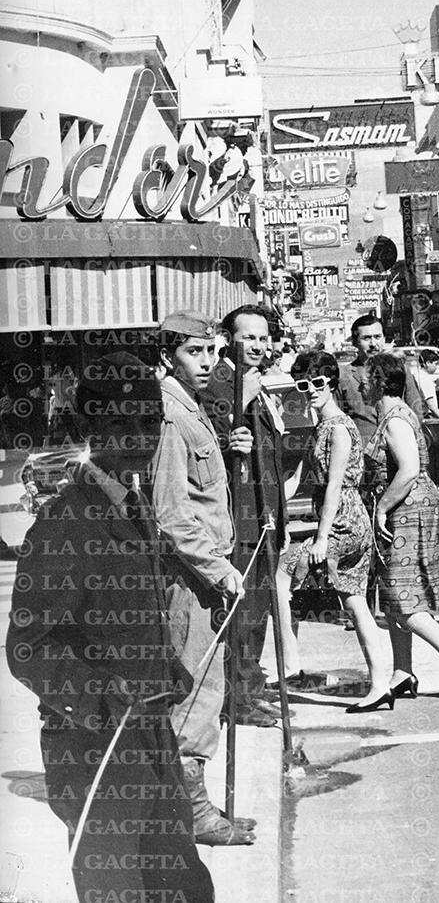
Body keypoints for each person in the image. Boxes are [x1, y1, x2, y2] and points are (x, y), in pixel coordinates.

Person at [7, 352, 216, 903]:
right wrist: (101, 694)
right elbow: (27, 648)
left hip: (150, 736)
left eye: (150, 421)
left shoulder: (134, 505)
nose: (139, 438)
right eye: (121, 423)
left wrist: (168, 669)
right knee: (115, 889)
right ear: (87, 427)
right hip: (92, 747)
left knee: (182, 884)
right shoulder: (64, 525)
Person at [150, 313, 255, 846]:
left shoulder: (191, 407)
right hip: (193, 577)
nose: (209, 361)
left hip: (206, 573)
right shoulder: (172, 415)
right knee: (195, 693)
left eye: (212, 350)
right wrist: (218, 569)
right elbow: (171, 513)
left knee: (207, 688)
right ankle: (193, 814)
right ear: (168, 357)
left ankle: (195, 804)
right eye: (195, 352)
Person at [277, 352, 385, 711]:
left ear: (332, 384)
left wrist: (321, 539)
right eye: (303, 385)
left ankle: (290, 667)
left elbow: (335, 485)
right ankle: (380, 684)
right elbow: (297, 479)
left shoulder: (337, 427)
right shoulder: (322, 426)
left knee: (282, 573)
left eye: (318, 383)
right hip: (347, 519)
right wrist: (269, 503)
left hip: (344, 521)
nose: (310, 390)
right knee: (355, 603)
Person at [363, 353, 439, 698]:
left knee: (401, 595)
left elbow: (409, 468)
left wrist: (382, 508)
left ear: (380, 382)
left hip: (407, 508)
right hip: (409, 505)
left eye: (366, 378)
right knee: (394, 594)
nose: (360, 384)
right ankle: (403, 672)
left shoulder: (395, 419)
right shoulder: (395, 413)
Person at [201, 304, 289, 730]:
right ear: (228, 339)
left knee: (258, 611)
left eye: (262, 337)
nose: (257, 345)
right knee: (243, 612)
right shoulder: (220, 382)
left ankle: (250, 687)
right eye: (248, 337)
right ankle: (238, 697)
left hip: (264, 516)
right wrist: (240, 401)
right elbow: (210, 446)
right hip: (241, 520)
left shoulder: (257, 381)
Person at [416, 348, 439, 419]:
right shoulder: (425, 379)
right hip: (428, 416)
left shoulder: (418, 374)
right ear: (428, 363)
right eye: (435, 364)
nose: (436, 367)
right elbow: (430, 404)